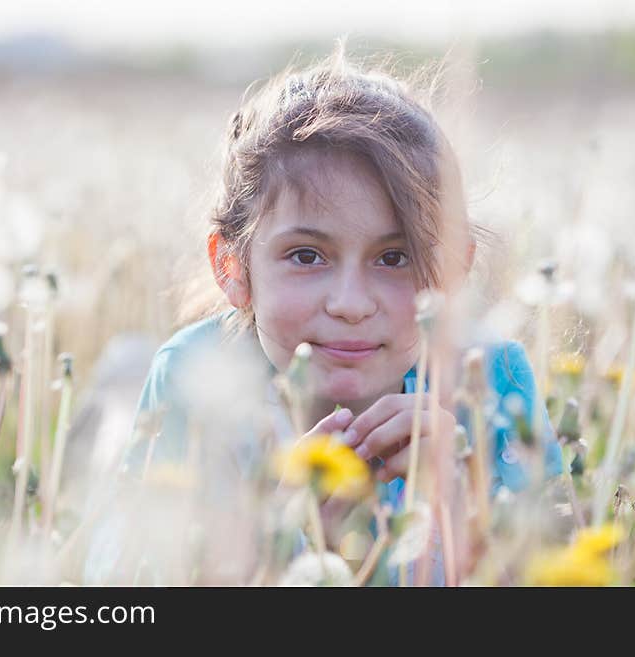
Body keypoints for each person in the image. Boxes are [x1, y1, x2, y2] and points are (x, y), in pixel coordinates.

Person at [120, 42, 564, 585]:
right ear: (233, 267)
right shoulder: (196, 383)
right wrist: (280, 545)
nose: (350, 304)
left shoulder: (491, 383)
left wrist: (458, 523)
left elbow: (557, 573)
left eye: (395, 257)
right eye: (306, 256)